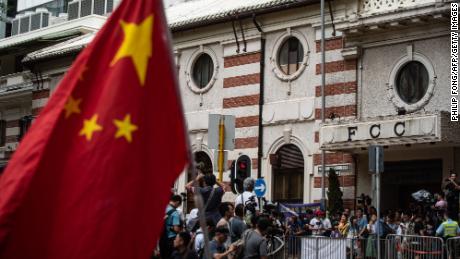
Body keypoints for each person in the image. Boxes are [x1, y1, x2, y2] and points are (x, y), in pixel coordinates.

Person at [159, 194, 183, 259]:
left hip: (161, 238)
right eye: (179, 205)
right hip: (170, 240)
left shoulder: (163, 208)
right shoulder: (175, 213)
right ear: (177, 202)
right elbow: (176, 229)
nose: (178, 207)